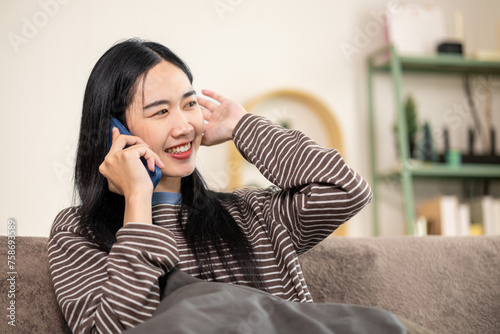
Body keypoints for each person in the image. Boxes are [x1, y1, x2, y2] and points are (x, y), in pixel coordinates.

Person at [48, 38, 375, 333]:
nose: (185, 126)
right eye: (161, 111)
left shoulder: (251, 214)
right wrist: (138, 200)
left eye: (189, 104)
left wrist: (242, 126)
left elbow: (346, 189)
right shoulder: (79, 231)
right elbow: (113, 330)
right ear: (113, 132)